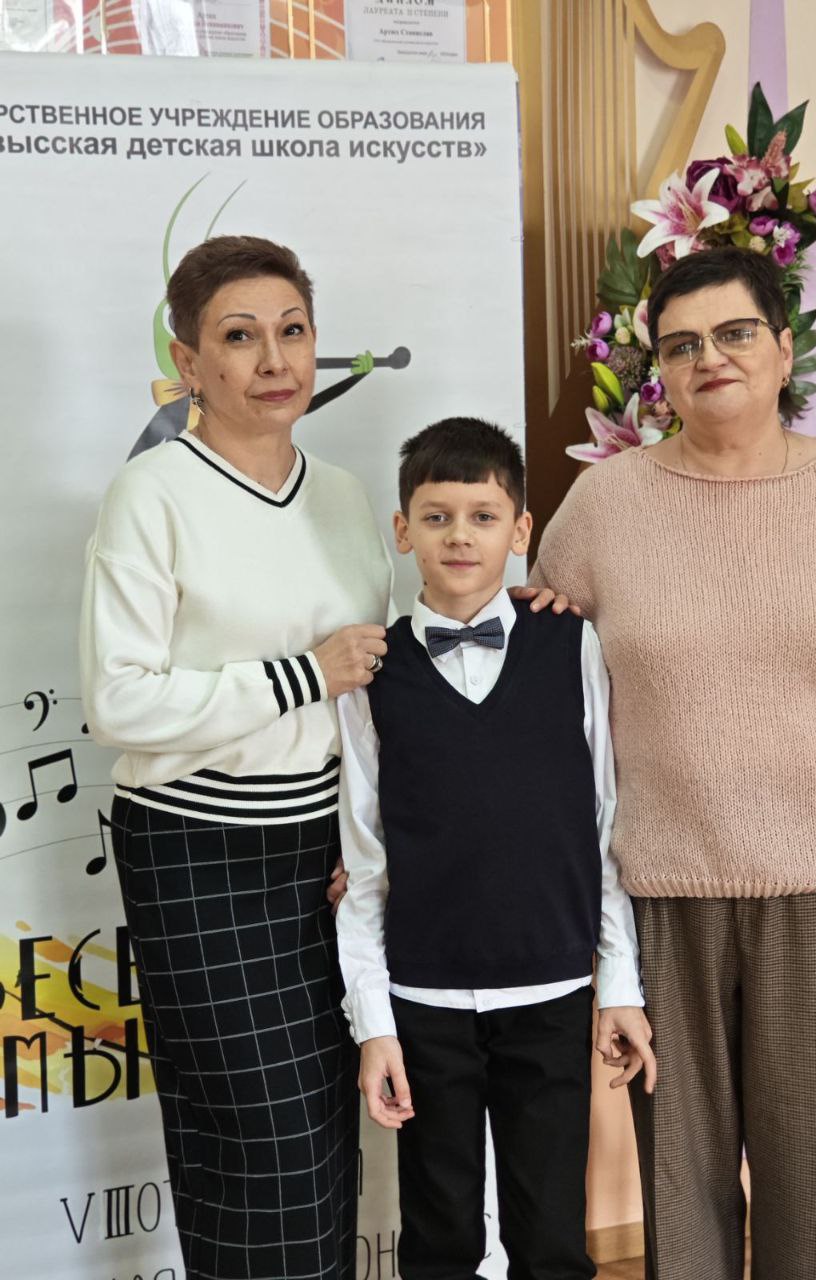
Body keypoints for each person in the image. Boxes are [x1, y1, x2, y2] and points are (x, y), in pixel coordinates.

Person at [529, 247, 816, 1280]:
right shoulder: (603, 508)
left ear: (783, 349)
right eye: (680, 345)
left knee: (814, 1195)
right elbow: (535, 697)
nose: (708, 358)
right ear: (660, 373)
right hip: (659, 901)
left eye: (732, 334)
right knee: (680, 1197)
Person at [79, 235, 395, 1280]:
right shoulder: (151, 493)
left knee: (324, 1139)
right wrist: (300, 674)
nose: (274, 359)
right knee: (260, 1148)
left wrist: (367, 836)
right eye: (240, 336)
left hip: (324, 854)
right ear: (189, 361)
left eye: (292, 331)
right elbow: (118, 699)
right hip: (197, 850)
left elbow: (372, 686)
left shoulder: (344, 495)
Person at [334, 417, 655, 1280]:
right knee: (440, 1237)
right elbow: (364, 862)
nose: (460, 536)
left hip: (551, 986)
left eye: (483, 516)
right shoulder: (373, 673)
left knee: (551, 1236)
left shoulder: (570, 643)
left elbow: (604, 823)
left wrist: (619, 983)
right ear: (403, 530)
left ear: (521, 531)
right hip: (423, 996)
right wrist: (374, 1024)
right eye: (436, 517)